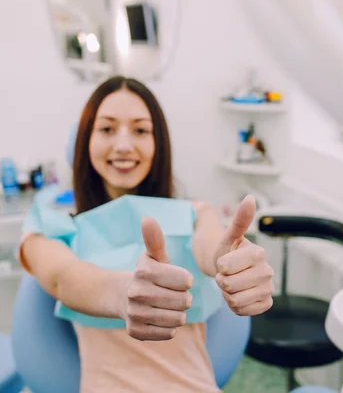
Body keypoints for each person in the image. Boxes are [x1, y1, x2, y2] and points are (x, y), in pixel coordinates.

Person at [18, 76, 275, 393]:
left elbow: (209, 245)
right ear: (86, 140)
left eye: (140, 130)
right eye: (107, 129)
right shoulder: (53, 225)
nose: (124, 145)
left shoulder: (194, 213)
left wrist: (231, 262)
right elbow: (63, 277)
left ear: (158, 143)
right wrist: (121, 294)